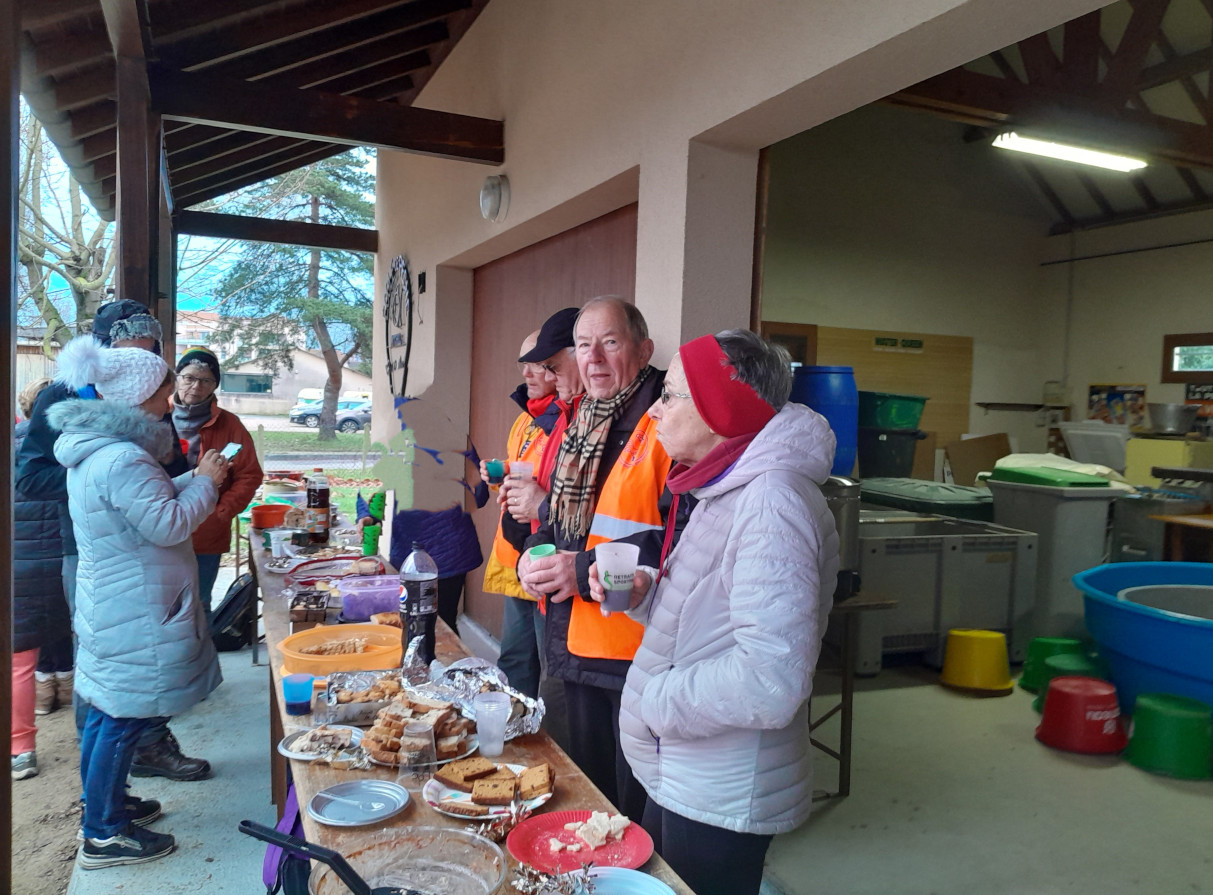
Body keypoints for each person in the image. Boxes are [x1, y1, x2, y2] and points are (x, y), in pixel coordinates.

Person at [599, 330, 839, 895]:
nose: (655, 409)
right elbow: (712, 619)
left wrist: (655, 699)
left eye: (671, 395)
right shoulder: (728, 487)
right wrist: (647, 595)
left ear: (720, 409)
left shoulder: (771, 502)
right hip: (687, 771)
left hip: (720, 790)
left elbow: (772, 679)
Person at [48, 336, 228, 869]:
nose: (171, 397)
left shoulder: (101, 449)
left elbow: (143, 504)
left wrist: (191, 477)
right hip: (135, 607)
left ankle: (106, 806)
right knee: (121, 717)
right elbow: (167, 523)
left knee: (109, 714)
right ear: (139, 395)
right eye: (164, 389)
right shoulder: (125, 457)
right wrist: (207, 485)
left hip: (116, 599)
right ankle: (104, 833)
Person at [16, 300, 210, 783]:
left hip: (149, 541)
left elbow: (165, 464)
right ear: (104, 351)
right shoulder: (63, 395)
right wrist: (106, 488)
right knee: (106, 667)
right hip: (90, 546)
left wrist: (183, 479)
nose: (141, 361)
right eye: (130, 350)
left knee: (150, 655)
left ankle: (149, 745)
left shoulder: (148, 391)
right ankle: (103, 786)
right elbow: (31, 478)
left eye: (150, 351)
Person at [517, 297, 675, 821]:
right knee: (587, 804)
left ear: (644, 350)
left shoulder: (666, 423)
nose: (595, 358)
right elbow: (559, 520)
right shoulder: (582, 419)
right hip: (577, 642)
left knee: (631, 813)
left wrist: (580, 572)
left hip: (636, 655)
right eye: (584, 345)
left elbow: (680, 540)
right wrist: (532, 558)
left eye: (610, 343)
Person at [480, 329, 561, 699]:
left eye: (537, 364)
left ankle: (544, 733)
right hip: (515, 554)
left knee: (551, 671)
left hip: (549, 557)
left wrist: (538, 500)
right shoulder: (526, 418)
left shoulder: (572, 419)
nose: (526, 373)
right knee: (513, 660)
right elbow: (525, 472)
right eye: (523, 364)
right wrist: (500, 476)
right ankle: (511, 727)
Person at [12, 378, 74, 780]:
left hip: (19, 564)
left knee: (20, 659)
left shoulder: (12, 446)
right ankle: (68, 699)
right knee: (73, 636)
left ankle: (21, 747)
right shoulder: (71, 450)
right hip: (65, 558)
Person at [173, 347, 262, 621]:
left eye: (205, 381)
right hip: (157, 527)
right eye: (189, 378)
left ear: (214, 386)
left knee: (198, 605)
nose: (195, 386)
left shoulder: (229, 424)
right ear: (177, 378)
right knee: (161, 606)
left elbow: (250, 475)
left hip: (205, 533)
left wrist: (220, 512)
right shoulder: (156, 415)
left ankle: (202, 648)